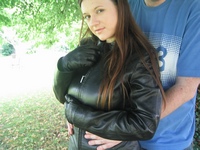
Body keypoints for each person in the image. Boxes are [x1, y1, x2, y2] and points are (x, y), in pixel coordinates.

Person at [82, 0, 200, 150]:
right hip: (124, 141)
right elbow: (105, 58)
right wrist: (77, 103)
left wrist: (126, 130)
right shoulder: (125, 5)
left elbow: (186, 87)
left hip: (167, 141)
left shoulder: (193, 8)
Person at [53, 0, 166, 149]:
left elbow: (145, 124)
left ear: (121, 8)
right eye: (87, 16)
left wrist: (78, 116)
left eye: (100, 10)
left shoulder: (139, 58)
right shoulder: (87, 46)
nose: (92, 22)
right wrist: (63, 65)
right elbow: (61, 95)